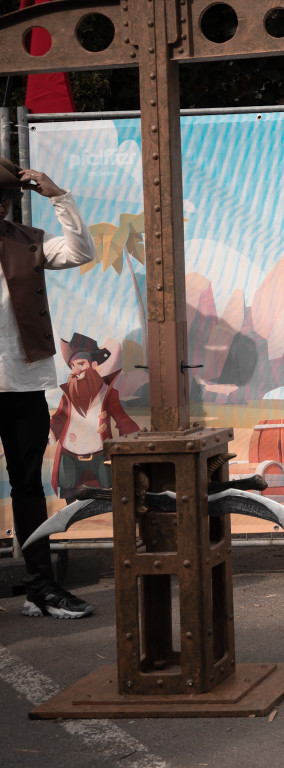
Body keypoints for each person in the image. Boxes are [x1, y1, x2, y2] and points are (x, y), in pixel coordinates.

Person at [0, 157, 96, 619]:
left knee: (27, 487)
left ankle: (40, 587)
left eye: (3, 198)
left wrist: (58, 196)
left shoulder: (28, 242)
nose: (0, 205)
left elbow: (81, 251)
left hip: (21, 386)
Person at [50, 333, 140, 500]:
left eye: (81, 364)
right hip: (69, 458)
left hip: (99, 457)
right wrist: (48, 434)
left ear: (93, 365)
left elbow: (122, 420)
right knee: (71, 501)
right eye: (73, 366)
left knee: (105, 498)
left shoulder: (108, 393)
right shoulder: (67, 394)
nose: (76, 371)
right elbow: (59, 418)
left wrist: (134, 439)